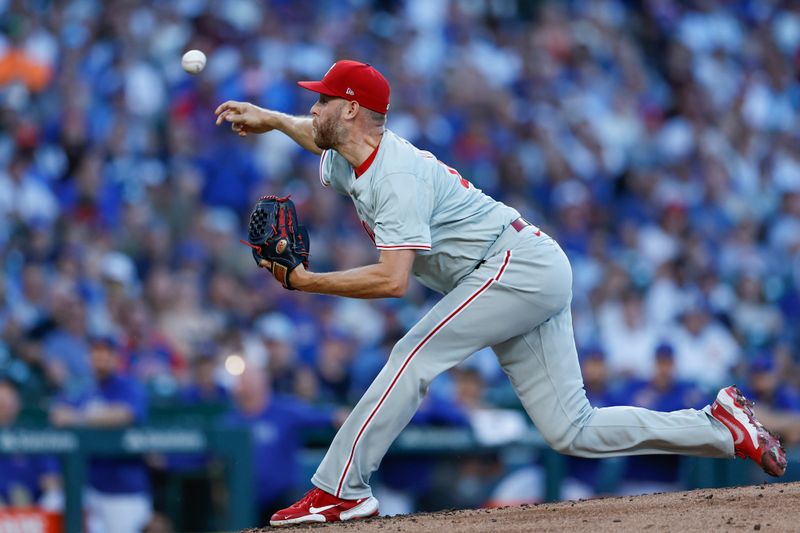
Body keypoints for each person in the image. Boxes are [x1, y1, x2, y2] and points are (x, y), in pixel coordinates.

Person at [214, 60, 787, 526]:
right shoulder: (347, 153)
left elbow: (392, 282)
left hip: (515, 266)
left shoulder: (397, 177)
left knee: (413, 356)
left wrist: (308, 282)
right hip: (519, 269)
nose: (313, 109)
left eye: (322, 100)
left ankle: (340, 490)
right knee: (571, 431)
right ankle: (719, 426)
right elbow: (314, 135)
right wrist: (268, 117)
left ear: (352, 109)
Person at [49, 335, 151, 533]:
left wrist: (79, 418)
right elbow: (58, 415)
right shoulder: (84, 389)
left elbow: (125, 413)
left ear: (116, 358)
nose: (100, 359)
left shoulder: (128, 386)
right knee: (53, 501)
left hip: (124, 489)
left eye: (106, 354)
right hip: (90, 487)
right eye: (96, 354)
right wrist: (82, 416)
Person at [0, 379, 62, 511]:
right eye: (1, 401)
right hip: (3, 506)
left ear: (18, 403)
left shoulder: (31, 432)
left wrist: (47, 484)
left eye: (8, 400)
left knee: (56, 498)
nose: (5, 405)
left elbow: (51, 477)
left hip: (33, 504)